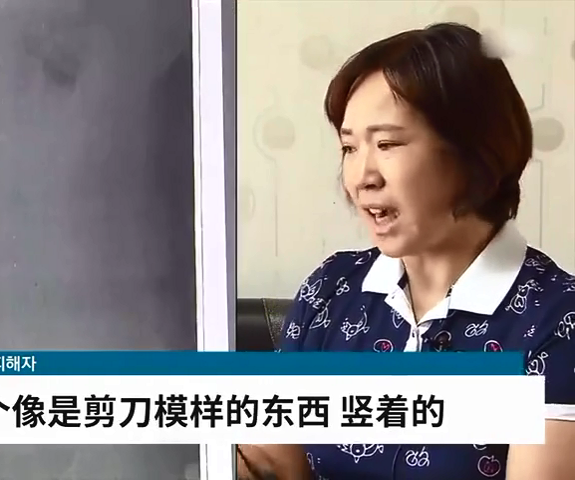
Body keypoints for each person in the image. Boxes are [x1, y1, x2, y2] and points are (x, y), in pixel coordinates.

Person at [237, 22, 575, 480]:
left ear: (475, 151)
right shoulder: (332, 289)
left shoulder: (557, 320)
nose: (362, 177)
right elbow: (275, 462)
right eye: (349, 147)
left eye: (387, 144)